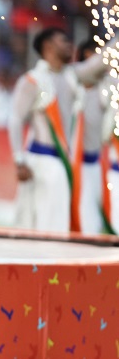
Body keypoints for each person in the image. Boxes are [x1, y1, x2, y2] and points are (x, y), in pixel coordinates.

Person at [9, 27, 111, 233]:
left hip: (63, 163)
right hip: (40, 160)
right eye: (63, 41)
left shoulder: (71, 76)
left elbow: (100, 62)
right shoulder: (33, 80)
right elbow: (15, 119)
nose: (69, 45)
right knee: (31, 224)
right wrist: (19, 160)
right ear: (48, 46)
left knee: (56, 225)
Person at [76, 39, 113, 235]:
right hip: (72, 162)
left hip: (97, 162)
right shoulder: (73, 82)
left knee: (94, 219)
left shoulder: (107, 88)